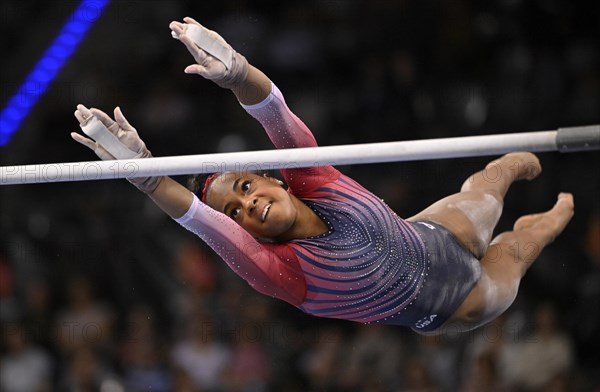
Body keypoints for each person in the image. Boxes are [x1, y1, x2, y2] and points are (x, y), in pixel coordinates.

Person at [70, 17, 574, 335]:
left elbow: (276, 117)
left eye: (246, 189)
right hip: (460, 303)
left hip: (435, 233)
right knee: (519, 246)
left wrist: (238, 73)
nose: (249, 206)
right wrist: (146, 174)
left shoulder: (312, 178)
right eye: (238, 214)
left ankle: (513, 164)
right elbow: (199, 220)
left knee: (491, 181)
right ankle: (555, 217)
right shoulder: (281, 272)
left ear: (274, 179)